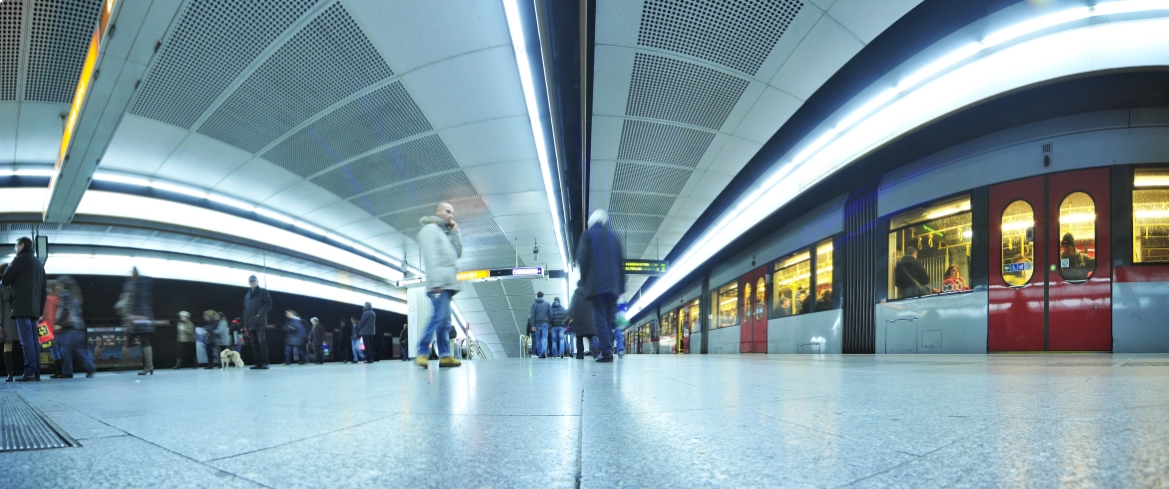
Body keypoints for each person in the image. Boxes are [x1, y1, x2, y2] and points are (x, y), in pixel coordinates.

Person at [414, 202, 463, 368]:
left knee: (445, 322)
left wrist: (455, 232)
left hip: (447, 284)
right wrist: (436, 282)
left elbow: (458, 253)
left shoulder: (445, 233)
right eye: (448, 211)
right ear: (438, 212)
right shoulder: (430, 230)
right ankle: (421, 352)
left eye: (452, 213)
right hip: (439, 283)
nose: (451, 215)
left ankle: (445, 356)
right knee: (438, 318)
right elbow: (431, 257)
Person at [575, 210, 625, 363]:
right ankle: (608, 347)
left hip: (596, 285)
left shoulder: (588, 235)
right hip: (614, 286)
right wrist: (621, 288)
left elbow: (582, 259)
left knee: (600, 318)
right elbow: (620, 262)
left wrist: (584, 281)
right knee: (610, 319)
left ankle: (607, 352)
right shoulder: (613, 236)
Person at [3, 237, 46, 382]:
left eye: (16, 246)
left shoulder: (19, 260)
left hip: (21, 306)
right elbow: (43, 290)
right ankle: (37, 371)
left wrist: (9, 266)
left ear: (21, 245)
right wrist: (40, 311)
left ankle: (29, 370)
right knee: (34, 340)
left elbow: (6, 279)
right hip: (34, 308)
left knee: (25, 340)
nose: (15, 249)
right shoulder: (39, 264)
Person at [54, 276, 94, 379]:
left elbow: (65, 308)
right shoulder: (76, 295)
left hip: (69, 328)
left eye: (58, 284)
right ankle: (90, 366)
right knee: (80, 350)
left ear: (62, 284)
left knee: (65, 350)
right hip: (79, 327)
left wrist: (58, 322)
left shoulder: (65, 293)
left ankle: (67, 372)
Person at [120, 267, 155, 376]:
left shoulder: (132, 285)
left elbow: (129, 303)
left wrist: (129, 316)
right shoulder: (142, 284)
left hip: (137, 317)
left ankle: (123, 365)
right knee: (144, 340)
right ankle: (149, 366)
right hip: (144, 315)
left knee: (132, 338)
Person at [242, 275, 272, 370]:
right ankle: (257, 363)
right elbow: (245, 310)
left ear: (257, 282)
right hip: (250, 323)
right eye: (250, 281)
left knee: (261, 342)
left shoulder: (263, 292)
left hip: (260, 322)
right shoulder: (247, 295)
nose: (252, 282)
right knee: (253, 344)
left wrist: (259, 314)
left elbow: (268, 304)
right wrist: (245, 325)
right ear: (249, 283)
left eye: (254, 281)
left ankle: (265, 362)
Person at [567, 288, 596, 360]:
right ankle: (596, 353)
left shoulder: (576, 295)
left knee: (579, 338)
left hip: (579, 320)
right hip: (589, 320)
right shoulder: (590, 293)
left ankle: (580, 355)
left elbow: (571, 307)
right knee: (591, 337)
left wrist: (567, 315)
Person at [0, 263, 17, 381]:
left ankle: (29, 370)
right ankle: (10, 373)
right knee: (7, 345)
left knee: (26, 343)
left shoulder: (18, 284)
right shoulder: (1, 287)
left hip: (19, 316)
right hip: (7, 319)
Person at [529, 292, 551, 358]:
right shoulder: (547, 304)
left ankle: (540, 354)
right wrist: (548, 321)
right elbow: (551, 314)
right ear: (543, 296)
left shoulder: (534, 304)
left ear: (537, 296)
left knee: (538, 338)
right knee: (544, 338)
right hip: (545, 323)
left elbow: (532, 315)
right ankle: (543, 351)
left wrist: (532, 325)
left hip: (537, 323)